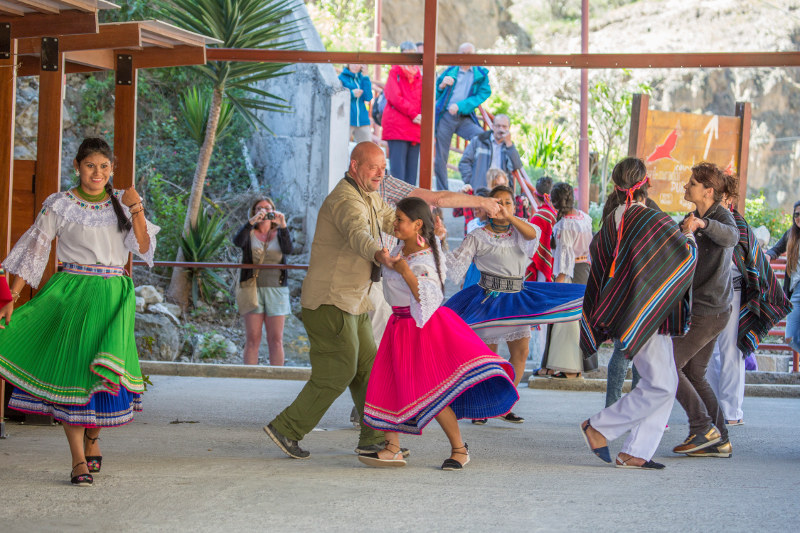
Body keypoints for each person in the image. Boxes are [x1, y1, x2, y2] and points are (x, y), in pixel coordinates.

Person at [0, 137, 158, 486]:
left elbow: (144, 248)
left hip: (114, 298)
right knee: (73, 376)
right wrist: (12, 295)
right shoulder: (60, 204)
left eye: (104, 166)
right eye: (90, 166)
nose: (97, 172)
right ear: (77, 167)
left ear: (112, 169)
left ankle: (92, 437)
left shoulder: (122, 204)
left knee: (106, 376)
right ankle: (77, 460)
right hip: (72, 293)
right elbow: (36, 250)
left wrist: (137, 209)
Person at [358, 197, 518, 470]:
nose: (394, 224)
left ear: (417, 225)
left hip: (421, 328)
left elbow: (429, 296)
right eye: (395, 219)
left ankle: (459, 449)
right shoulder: (398, 248)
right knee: (389, 382)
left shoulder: (426, 258)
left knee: (433, 391)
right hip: (398, 326)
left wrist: (404, 270)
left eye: (400, 220)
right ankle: (392, 447)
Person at [263, 142, 399, 459]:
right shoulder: (345, 199)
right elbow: (358, 235)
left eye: (383, 166)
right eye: (373, 166)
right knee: (338, 370)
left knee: (367, 368)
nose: (380, 173)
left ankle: (373, 439)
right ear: (354, 166)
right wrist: (379, 253)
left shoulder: (371, 196)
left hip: (356, 301)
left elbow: (390, 219)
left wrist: (421, 225)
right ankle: (287, 427)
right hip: (331, 301)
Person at [579, 157, 696, 469]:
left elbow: (600, 261)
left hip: (631, 310)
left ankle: (637, 452)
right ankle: (599, 427)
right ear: (647, 184)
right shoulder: (649, 219)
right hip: (647, 313)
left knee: (663, 382)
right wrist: (689, 236)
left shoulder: (611, 221)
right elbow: (682, 254)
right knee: (661, 384)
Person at [444, 185, 585, 425]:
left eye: (507, 202)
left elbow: (533, 235)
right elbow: (455, 265)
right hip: (489, 300)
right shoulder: (478, 236)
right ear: (487, 207)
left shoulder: (521, 230)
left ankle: (504, 403)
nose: (502, 206)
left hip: (518, 298)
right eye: (497, 202)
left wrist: (510, 217)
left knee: (521, 353)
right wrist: (441, 240)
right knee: (488, 357)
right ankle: (483, 406)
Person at [706, 181, 791, 428]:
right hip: (709, 295)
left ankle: (731, 411)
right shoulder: (703, 221)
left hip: (733, 292)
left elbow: (753, 262)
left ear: (727, 199)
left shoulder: (737, 224)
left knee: (732, 351)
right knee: (708, 353)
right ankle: (713, 409)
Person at [671, 162, 739, 458]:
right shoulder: (692, 217)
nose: (686, 187)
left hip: (710, 311)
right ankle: (720, 440)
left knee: (669, 367)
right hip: (702, 309)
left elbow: (731, 236)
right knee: (694, 373)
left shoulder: (719, 216)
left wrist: (702, 225)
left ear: (708, 191)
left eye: (692, 184)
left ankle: (702, 427)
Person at [538, 182, 593, 379]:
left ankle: (567, 367)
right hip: (584, 271)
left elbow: (563, 259)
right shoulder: (585, 218)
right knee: (579, 320)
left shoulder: (564, 225)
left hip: (569, 274)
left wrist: (557, 286)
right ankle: (556, 366)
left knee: (563, 321)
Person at [232, 198, 292, 366]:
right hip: (252, 289)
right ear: (254, 212)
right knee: (252, 339)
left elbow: (288, 249)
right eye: (259, 209)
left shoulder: (280, 232)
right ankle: (250, 379)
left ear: (274, 210)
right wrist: (251, 223)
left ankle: (277, 378)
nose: (264, 212)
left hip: (277, 290)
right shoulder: (249, 232)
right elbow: (238, 242)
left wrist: (283, 224)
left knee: (276, 340)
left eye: (267, 208)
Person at [433, 42, 491, 192]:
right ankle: (443, 191)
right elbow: (434, 93)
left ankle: (474, 183)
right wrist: (441, 86)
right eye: (463, 53)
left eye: (470, 53)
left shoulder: (480, 74)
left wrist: (461, 105)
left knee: (483, 138)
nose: (466, 57)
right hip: (446, 116)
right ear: (458, 55)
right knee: (441, 157)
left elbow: (484, 93)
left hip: (464, 117)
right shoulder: (451, 70)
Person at [382, 41, 423, 186]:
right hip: (398, 126)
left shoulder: (420, 75)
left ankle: (409, 207)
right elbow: (394, 97)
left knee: (411, 175)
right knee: (398, 174)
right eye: (407, 54)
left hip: (415, 127)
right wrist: (414, 114)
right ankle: (396, 207)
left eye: (413, 54)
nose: (410, 58)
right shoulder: (395, 71)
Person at [765, 200, 800, 356]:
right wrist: (767, 256)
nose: (799, 217)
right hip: (796, 291)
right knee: (790, 337)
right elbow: (775, 250)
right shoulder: (791, 234)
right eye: (796, 214)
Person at [458, 115, 523, 191]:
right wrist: (470, 181)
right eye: (498, 126)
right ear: (492, 126)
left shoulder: (509, 147)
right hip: (480, 189)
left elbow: (517, 166)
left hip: (500, 190)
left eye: (504, 127)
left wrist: (509, 144)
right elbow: (464, 162)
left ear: (508, 128)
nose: (501, 129)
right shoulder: (479, 140)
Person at [525, 176, 556, 284]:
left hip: (542, 267)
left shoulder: (538, 217)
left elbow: (530, 247)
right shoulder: (557, 214)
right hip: (558, 265)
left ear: (535, 195)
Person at [338, 64, 372, 143]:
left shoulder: (363, 78)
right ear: (348, 64)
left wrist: (366, 77)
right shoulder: (341, 78)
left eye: (358, 63)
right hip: (346, 120)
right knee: (341, 146)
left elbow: (368, 97)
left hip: (362, 121)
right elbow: (337, 97)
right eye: (353, 63)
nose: (355, 66)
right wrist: (351, 94)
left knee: (367, 149)